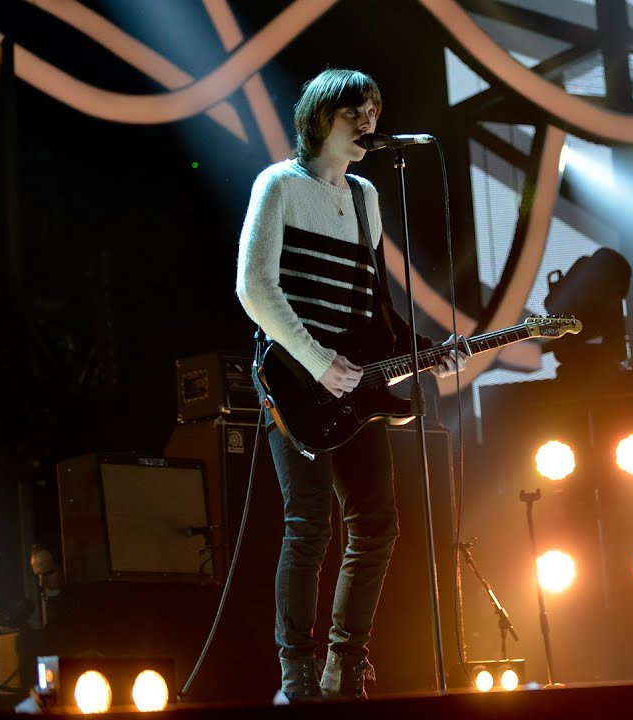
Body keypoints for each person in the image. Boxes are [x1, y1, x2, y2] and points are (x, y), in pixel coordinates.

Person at [236, 68, 466, 703]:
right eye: (354, 111)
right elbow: (255, 288)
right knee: (308, 522)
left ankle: (345, 663)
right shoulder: (279, 185)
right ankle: (297, 675)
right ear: (319, 118)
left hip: (356, 384)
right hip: (295, 381)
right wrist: (316, 361)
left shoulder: (366, 195)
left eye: (374, 109)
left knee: (376, 523)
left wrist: (424, 353)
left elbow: (376, 308)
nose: (369, 121)